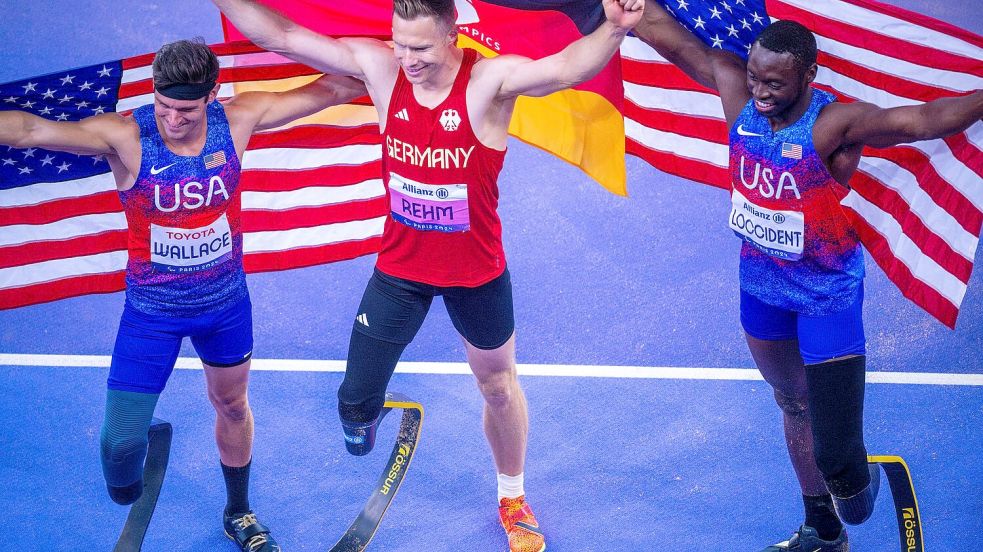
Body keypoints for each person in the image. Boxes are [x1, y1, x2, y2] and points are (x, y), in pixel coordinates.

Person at [212, 0, 643, 550]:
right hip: (400, 269)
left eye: (419, 47)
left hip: (477, 273)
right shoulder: (382, 68)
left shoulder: (489, 80)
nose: (407, 58)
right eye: (399, 43)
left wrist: (614, 29)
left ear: (452, 37)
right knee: (353, 407)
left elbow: (565, 68)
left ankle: (512, 496)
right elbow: (284, 35)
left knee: (498, 386)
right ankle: (362, 413)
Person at [633, 3, 983, 551]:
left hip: (826, 298)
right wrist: (632, 11)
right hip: (760, 291)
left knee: (841, 465)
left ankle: (849, 481)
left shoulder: (834, 124)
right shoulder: (740, 96)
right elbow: (678, 45)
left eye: (775, 82)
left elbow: (923, 120)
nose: (762, 91)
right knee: (792, 404)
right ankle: (823, 530)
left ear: (808, 77)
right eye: (755, 76)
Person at [0, 38, 366, 552]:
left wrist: (403, 69)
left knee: (232, 405)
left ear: (212, 95)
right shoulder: (127, 136)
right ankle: (131, 459)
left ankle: (238, 511)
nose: (172, 118)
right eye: (164, 105)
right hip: (151, 316)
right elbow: (33, 130)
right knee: (119, 450)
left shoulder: (237, 120)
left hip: (225, 307)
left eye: (186, 109)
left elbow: (328, 88)